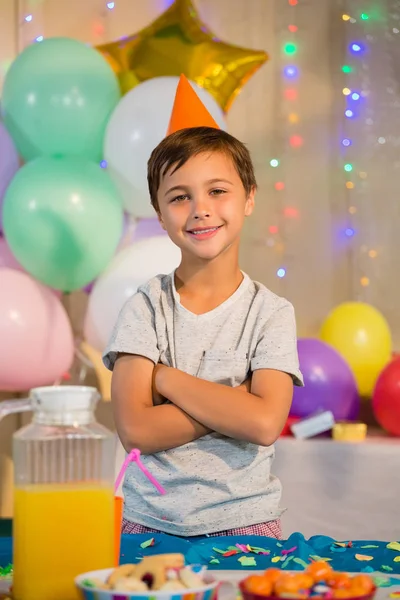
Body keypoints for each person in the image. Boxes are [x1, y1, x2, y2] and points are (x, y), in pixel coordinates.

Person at [103, 76, 303, 539]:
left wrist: (165, 379)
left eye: (217, 190)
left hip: (247, 524)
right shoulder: (146, 308)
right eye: (179, 196)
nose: (200, 209)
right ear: (159, 212)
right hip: (146, 524)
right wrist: (234, 401)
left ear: (249, 197)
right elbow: (135, 430)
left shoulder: (271, 313)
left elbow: (264, 422)